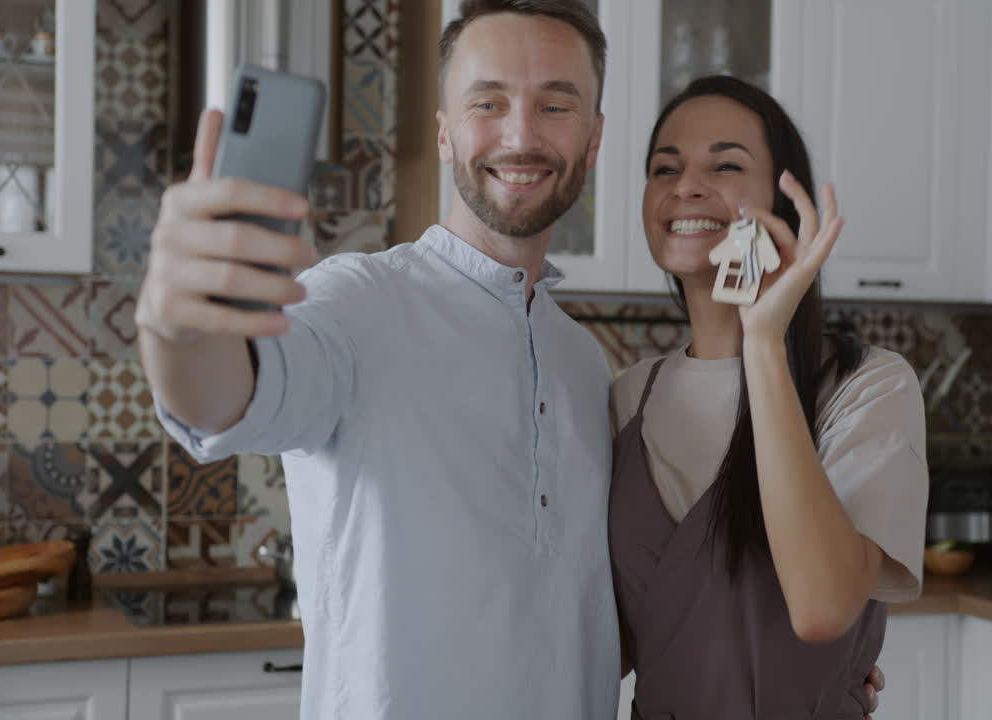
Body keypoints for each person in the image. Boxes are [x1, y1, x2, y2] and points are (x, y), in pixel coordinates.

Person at [137, 0, 885, 715]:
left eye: (555, 105)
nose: (521, 135)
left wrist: (794, 666)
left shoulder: (587, 368)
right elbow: (221, 400)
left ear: (593, 140)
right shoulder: (355, 304)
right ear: (444, 133)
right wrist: (177, 325)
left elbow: (612, 616)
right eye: (488, 103)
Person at [609, 74, 928, 719]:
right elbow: (611, 637)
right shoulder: (625, 398)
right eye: (663, 168)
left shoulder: (868, 387)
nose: (686, 186)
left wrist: (761, 345)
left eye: (725, 164)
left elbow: (819, 611)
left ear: (786, 204)